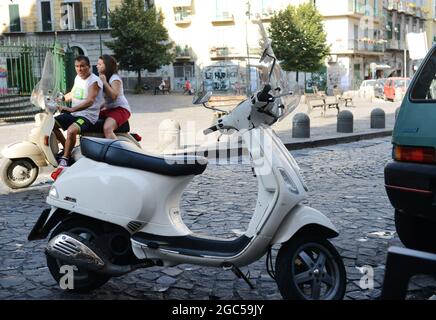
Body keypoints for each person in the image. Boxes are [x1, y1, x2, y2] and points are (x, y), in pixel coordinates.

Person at [53, 55, 103, 167]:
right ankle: (67, 149)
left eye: (82, 66)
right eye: (77, 66)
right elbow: (73, 94)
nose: (79, 69)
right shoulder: (78, 78)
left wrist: (71, 109)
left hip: (87, 116)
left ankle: (65, 158)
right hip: (74, 114)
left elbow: (90, 101)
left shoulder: (94, 81)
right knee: (51, 124)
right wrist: (59, 99)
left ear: (89, 66)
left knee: (71, 131)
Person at [97, 54, 131, 140]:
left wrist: (104, 82)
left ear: (107, 66)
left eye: (100, 64)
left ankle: (118, 150)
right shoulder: (104, 78)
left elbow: (114, 96)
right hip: (110, 109)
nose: (97, 66)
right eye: (98, 64)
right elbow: (107, 99)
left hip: (121, 109)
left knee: (107, 128)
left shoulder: (114, 78)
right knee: (90, 117)